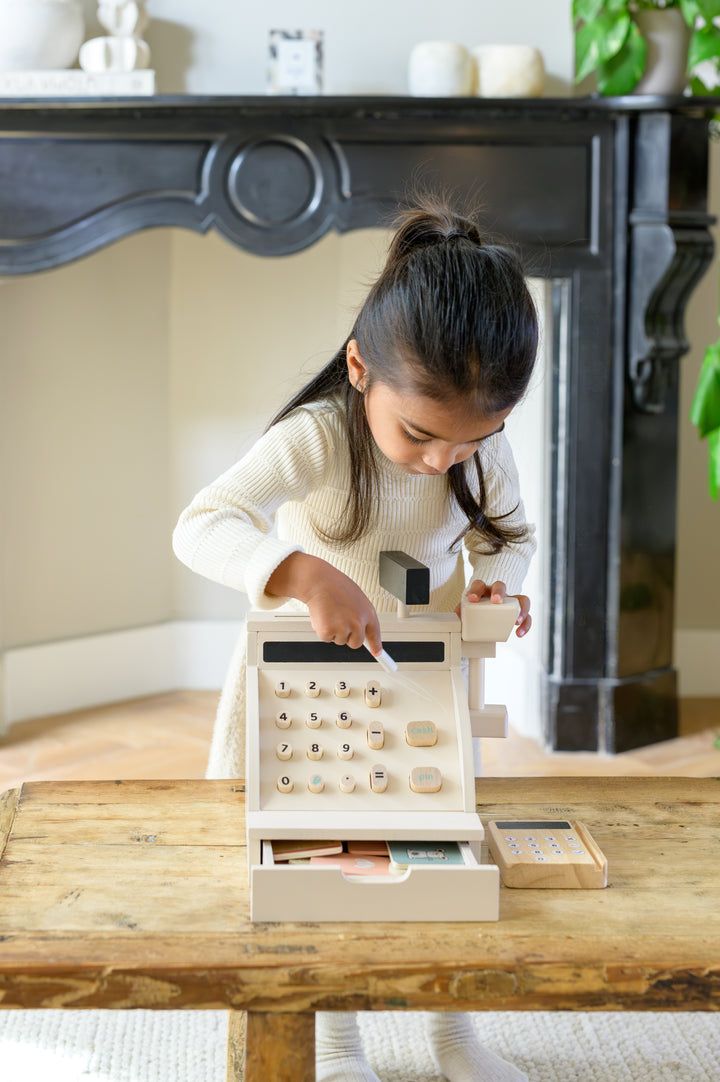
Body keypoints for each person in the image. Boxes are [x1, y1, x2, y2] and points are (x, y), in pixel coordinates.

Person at [173, 194, 537, 1082]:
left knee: (445, 862)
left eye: (473, 438)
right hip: (302, 692)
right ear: (361, 368)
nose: (441, 461)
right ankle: (335, 1041)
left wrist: (500, 584)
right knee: (317, 865)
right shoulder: (321, 437)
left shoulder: (473, 448)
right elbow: (202, 522)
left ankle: (456, 1035)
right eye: (420, 434)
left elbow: (511, 537)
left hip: (418, 687)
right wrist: (297, 572)